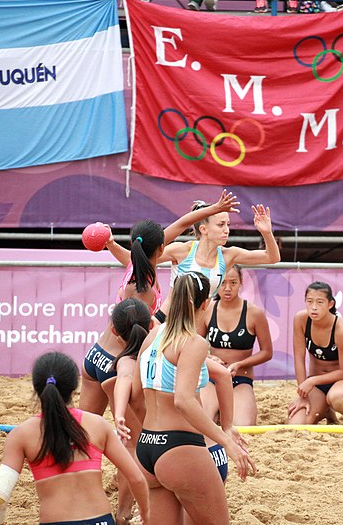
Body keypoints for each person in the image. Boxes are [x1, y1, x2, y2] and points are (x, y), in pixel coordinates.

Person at [79, 189, 239, 523]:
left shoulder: (143, 292)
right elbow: (196, 390)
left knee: (86, 435)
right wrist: (226, 434)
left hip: (104, 359)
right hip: (169, 433)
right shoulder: (153, 307)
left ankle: (97, 498)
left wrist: (108, 244)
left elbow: (180, 224)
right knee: (124, 440)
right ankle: (121, 510)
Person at [120, 272, 257, 524]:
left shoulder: (153, 336)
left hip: (148, 448)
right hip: (180, 447)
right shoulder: (194, 342)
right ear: (205, 304)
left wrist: (150, 431)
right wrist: (225, 440)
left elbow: (135, 394)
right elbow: (183, 400)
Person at [0, 351, 149, 525]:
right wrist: (147, 514)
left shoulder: (21, 434)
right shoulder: (98, 425)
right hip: (100, 521)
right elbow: (136, 478)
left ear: (37, 387)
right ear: (73, 387)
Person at [156, 200, 280, 324]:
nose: (227, 230)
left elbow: (272, 258)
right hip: (165, 322)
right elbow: (145, 256)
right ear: (204, 229)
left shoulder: (228, 256)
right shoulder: (182, 250)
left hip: (193, 329)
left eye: (228, 224)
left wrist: (267, 232)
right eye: (221, 225)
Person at [198, 265, 273, 427]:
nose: (227, 288)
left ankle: (223, 409)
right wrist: (209, 357)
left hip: (240, 377)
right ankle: (217, 409)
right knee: (202, 422)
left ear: (241, 283)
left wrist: (239, 364)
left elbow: (267, 352)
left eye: (233, 283)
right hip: (212, 376)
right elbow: (193, 344)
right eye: (223, 283)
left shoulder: (254, 313)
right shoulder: (208, 309)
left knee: (244, 427)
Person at [287, 281, 343, 425]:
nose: (314, 307)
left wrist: (312, 381)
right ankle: (326, 410)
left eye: (320, 302)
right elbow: (299, 358)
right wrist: (303, 394)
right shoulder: (301, 319)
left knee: (337, 399)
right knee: (295, 425)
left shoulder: (342, 329)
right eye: (309, 301)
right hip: (317, 383)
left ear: (330, 304)